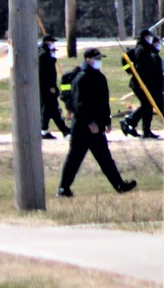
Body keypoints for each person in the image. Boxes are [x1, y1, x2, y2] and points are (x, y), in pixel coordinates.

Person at [58, 48, 138, 197]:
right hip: (82, 126)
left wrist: (107, 121)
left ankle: (119, 185)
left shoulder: (99, 77)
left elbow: (103, 102)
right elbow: (79, 104)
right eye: (96, 58)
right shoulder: (81, 77)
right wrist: (90, 122)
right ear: (88, 59)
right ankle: (63, 188)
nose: (99, 61)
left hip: (97, 126)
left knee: (105, 158)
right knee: (74, 159)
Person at [120, 29, 162, 139]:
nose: (150, 39)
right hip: (140, 83)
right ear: (144, 37)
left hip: (146, 83)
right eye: (149, 37)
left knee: (147, 105)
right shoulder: (141, 50)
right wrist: (143, 83)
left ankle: (134, 124)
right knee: (147, 105)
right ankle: (133, 123)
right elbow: (140, 69)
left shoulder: (147, 49)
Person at [38, 34, 71, 139]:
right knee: (49, 108)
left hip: (47, 87)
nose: (53, 45)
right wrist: (51, 87)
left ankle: (58, 130)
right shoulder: (44, 55)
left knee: (52, 110)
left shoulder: (45, 54)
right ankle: (61, 130)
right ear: (47, 43)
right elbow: (44, 74)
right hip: (47, 87)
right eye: (52, 43)